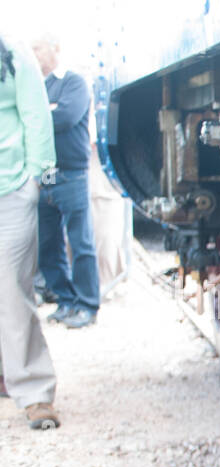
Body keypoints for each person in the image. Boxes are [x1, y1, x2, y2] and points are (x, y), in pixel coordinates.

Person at [0, 32, 59, 429]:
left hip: (10, 191)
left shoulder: (14, 55)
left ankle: (35, 391)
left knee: (12, 291)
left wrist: (34, 182)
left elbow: (37, 116)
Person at [32, 34, 98, 330]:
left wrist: (39, 115)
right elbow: (41, 117)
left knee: (80, 241)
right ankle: (65, 301)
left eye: (37, 47)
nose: (33, 54)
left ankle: (86, 304)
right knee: (49, 243)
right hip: (43, 174)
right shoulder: (36, 86)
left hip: (71, 173)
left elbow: (67, 117)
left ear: (55, 48)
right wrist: (48, 111)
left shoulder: (74, 82)